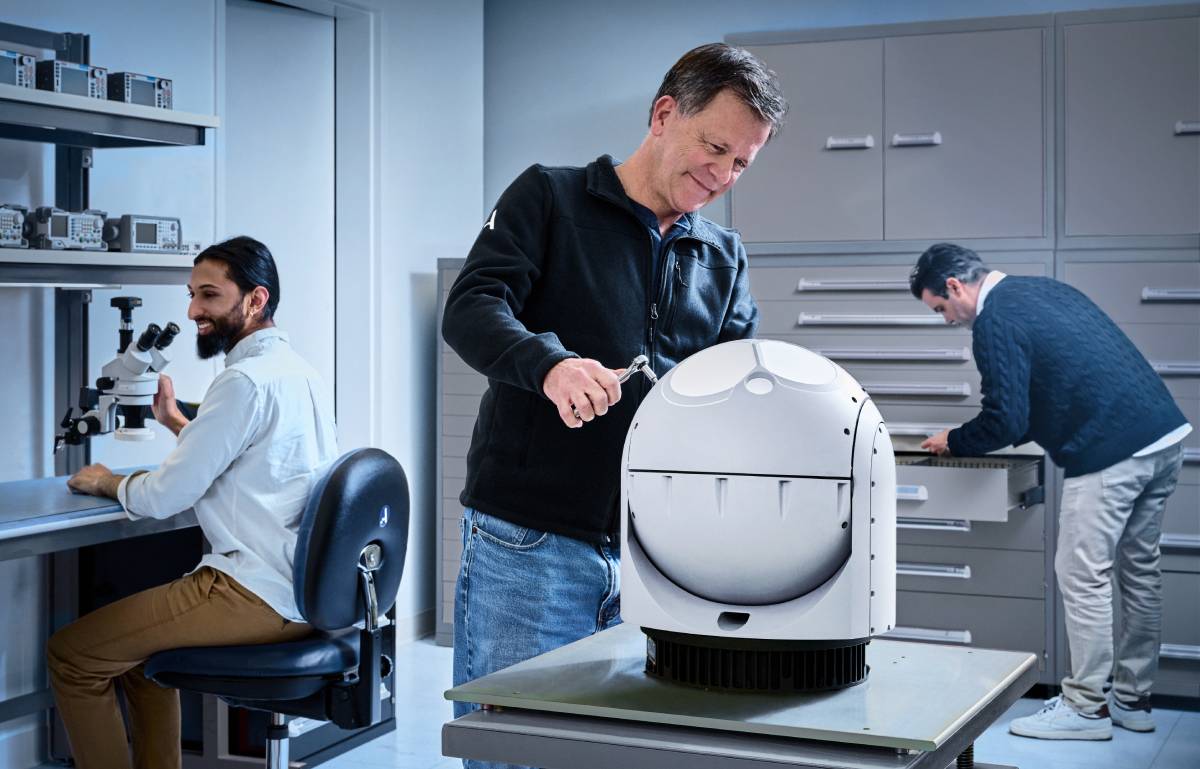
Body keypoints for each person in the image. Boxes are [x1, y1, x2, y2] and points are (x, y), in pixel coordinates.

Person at [441, 42, 786, 766]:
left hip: (656, 555)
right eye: (715, 148)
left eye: (742, 165)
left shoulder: (723, 257)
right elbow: (471, 306)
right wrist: (550, 365)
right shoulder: (550, 197)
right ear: (665, 114)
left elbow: (739, 382)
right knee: (515, 753)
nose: (722, 176)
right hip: (529, 548)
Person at [49, 236, 338, 769]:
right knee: (133, 657)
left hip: (250, 590)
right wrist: (180, 425)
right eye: (191, 294)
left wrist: (107, 481)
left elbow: (164, 496)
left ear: (255, 299)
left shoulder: (243, 381)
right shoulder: (298, 372)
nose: (192, 311)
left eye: (208, 295)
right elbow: (251, 461)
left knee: (72, 656)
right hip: (304, 588)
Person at [910, 242, 1191, 740]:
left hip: (1111, 451)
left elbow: (1006, 417)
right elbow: (1063, 379)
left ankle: (1085, 709)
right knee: (1139, 570)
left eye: (941, 309)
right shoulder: (1040, 289)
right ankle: (1132, 700)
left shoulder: (995, 320)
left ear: (955, 287)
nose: (948, 320)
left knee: (1082, 575)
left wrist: (954, 440)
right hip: (1163, 436)